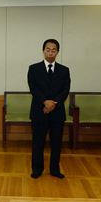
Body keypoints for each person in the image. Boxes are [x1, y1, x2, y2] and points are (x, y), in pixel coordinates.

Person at [27, 39, 71, 179]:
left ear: (57, 52)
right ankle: (37, 169)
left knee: (56, 143)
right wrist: (45, 102)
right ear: (43, 50)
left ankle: (54, 169)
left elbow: (65, 90)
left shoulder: (64, 70)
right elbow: (33, 88)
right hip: (39, 111)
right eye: (48, 49)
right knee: (37, 142)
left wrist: (53, 103)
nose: (50, 52)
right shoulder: (33, 69)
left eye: (54, 50)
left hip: (57, 113)